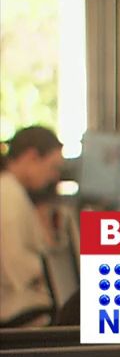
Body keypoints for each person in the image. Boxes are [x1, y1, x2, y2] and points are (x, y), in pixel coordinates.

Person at [0, 125, 64, 326]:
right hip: (13, 309)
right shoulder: (8, 197)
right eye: (52, 166)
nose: (54, 176)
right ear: (32, 157)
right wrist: (56, 271)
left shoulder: (13, 191)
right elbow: (14, 266)